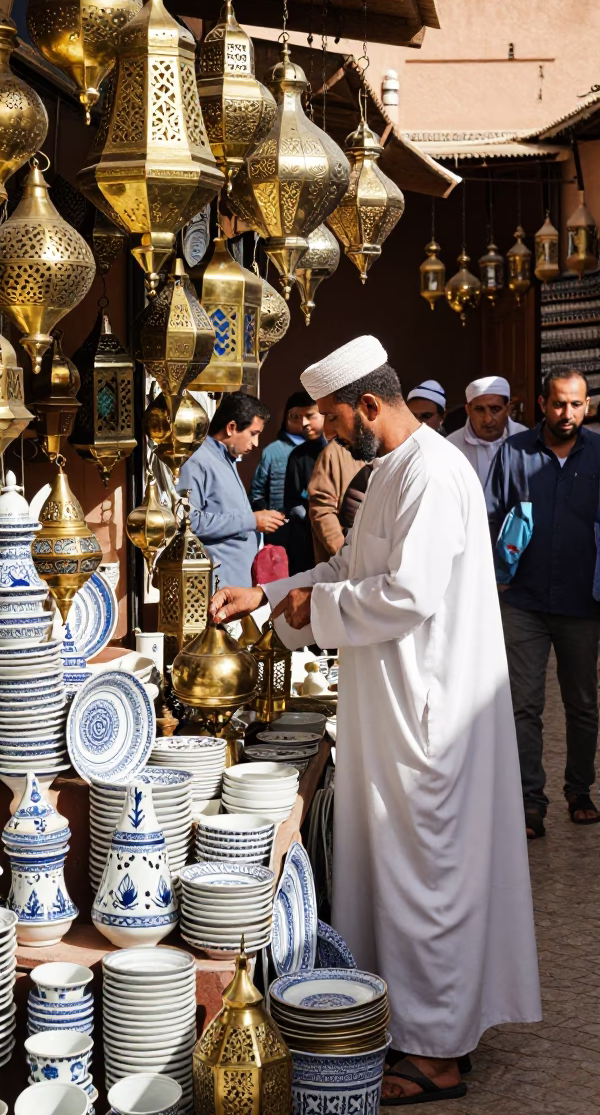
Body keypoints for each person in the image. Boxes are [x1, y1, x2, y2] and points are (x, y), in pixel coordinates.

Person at [209, 334, 541, 1105]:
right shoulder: (392, 470)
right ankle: (416, 1030)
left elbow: (406, 595)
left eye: (328, 417)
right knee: (401, 876)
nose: (320, 431)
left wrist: (313, 607)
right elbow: (350, 570)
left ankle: (437, 1055)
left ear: (367, 405)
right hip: (395, 709)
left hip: (430, 715)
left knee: (426, 882)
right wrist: (267, 596)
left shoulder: (433, 473)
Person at [487, 367, 600, 840]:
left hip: (582, 602)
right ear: (540, 404)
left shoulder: (599, 454)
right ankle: (529, 802)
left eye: (576, 404)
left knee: (583, 704)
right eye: (558, 404)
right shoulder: (513, 453)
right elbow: (488, 517)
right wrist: (496, 577)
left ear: (587, 405)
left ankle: (579, 791)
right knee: (522, 705)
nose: (567, 413)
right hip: (525, 600)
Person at [178, 392, 284, 589]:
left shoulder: (225, 459)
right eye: (253, 434)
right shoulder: (198, 459)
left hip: (236, 585)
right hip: (216, 587)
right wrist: (252, 520)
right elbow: (189, 521)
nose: (255, 444)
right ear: (231, 428)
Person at [447, 375, 526, 487]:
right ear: (468, 410)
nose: (487, 419)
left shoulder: (527, 440)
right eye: (480, 410)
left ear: (508, 409)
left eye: (495, 409)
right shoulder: (451, 447)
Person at [283, 398, 327, 573]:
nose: (304, 423)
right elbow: (292, 501)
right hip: (308, 540)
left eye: (310, 416)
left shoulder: (347, 450)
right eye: (299, 418)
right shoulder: (298, 456)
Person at [250, 391, 312, 513]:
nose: (303, 422)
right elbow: (257, 492)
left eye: (308, 416)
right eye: (295, 417)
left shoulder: (323, 449)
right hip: (279, 522)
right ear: (286, 418)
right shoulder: (272, 451)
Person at [307, 439, 366, 563]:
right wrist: (346, 556)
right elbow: (322, 509)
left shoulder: (401, 450)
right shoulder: (334, 453)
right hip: (345, 567)